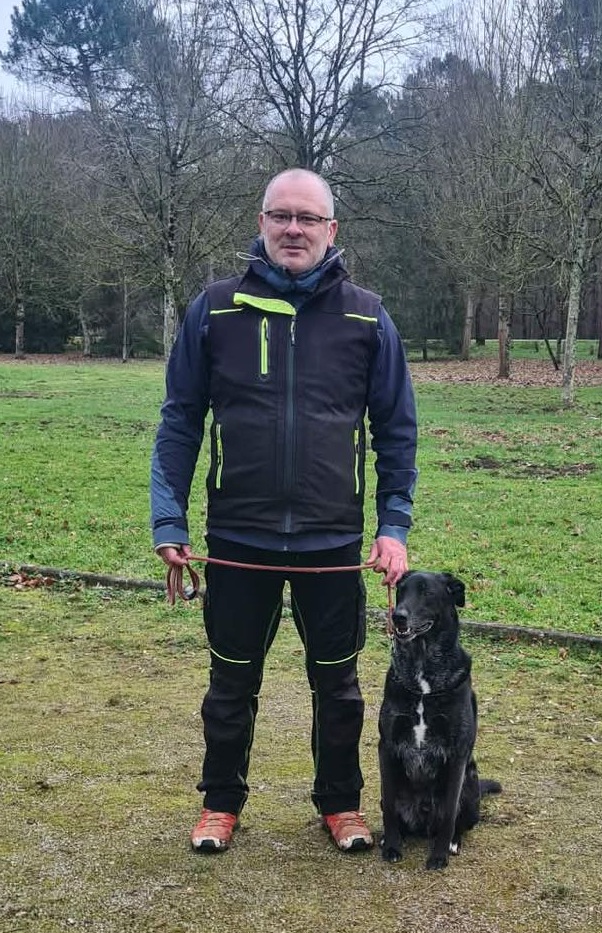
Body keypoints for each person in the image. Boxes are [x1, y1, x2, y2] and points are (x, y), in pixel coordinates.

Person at [150, 168, 418, 854]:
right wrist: (168, 521)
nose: (292, 228)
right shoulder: (213, 310)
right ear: (261, 223)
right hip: (238, 536)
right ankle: (220, 802)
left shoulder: (367, 315)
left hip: (334, 540)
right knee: (230, 682)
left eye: (307, 217)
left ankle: (340, 803)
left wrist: (392, 527)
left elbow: (396, 431)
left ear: (331, 230)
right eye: (280, 215)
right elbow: (180, 419)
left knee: (339, 686)